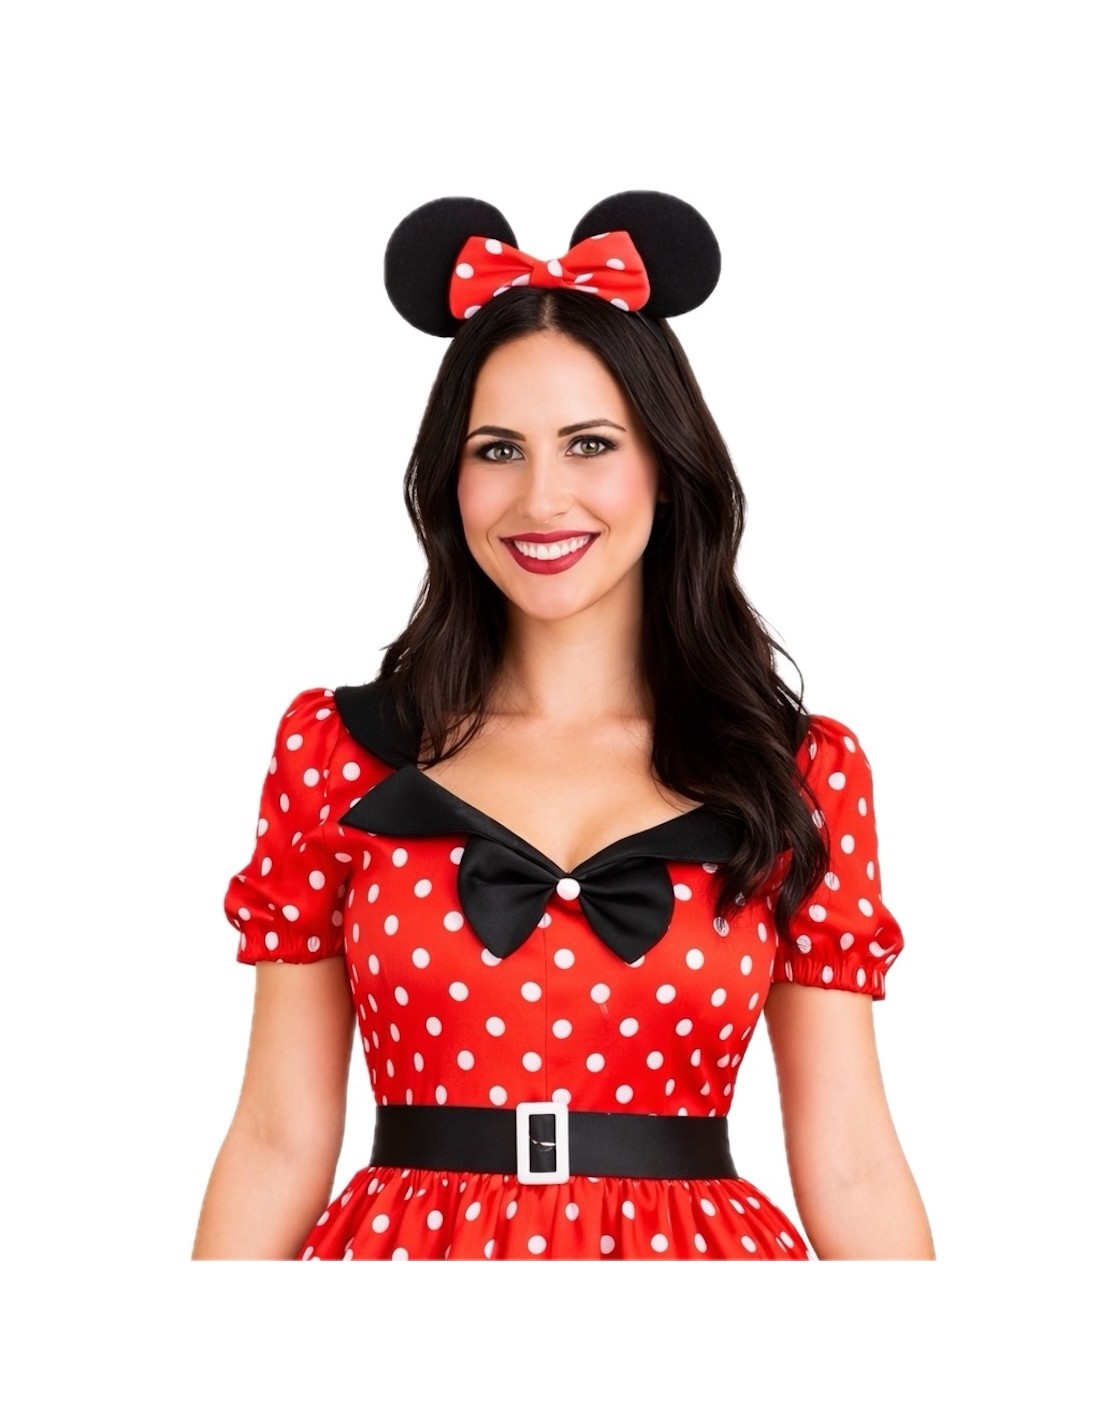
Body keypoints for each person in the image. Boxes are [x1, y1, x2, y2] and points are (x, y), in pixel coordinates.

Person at [192, 191, 935, 1261]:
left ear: (665, 469)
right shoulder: (335, 752)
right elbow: (277, 1137)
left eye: (589, 444)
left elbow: (851, 1160)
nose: (542, 499)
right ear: (448, 482)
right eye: (497, 450)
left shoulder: (800, 771)